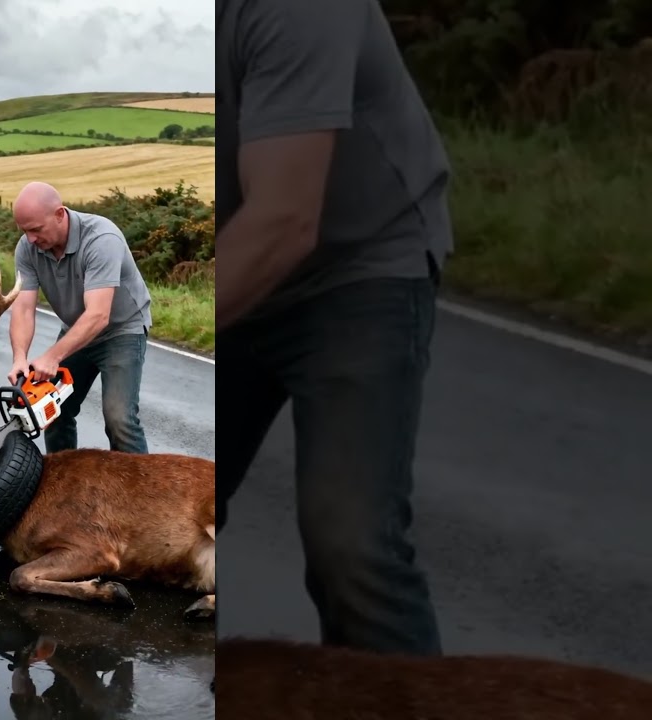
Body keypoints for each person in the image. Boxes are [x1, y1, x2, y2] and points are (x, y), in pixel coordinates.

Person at [218, 0, 453, 657]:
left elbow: (286, 219)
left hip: (359, 270)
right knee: (174, 508)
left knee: (350, 544)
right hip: (240, 263)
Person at [5, 182, 153, 455]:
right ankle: (63, 486)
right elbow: (24, 308)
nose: (31, 239)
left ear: (60, 214)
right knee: (50, 409)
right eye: (24, 231)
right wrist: (20, 358)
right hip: (77, 330)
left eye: (36, 229)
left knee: (119, 419)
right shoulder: (28, 247)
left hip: (122, 331)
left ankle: (145, 495)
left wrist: (52, 356)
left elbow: (98, 315)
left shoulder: (101, 239)